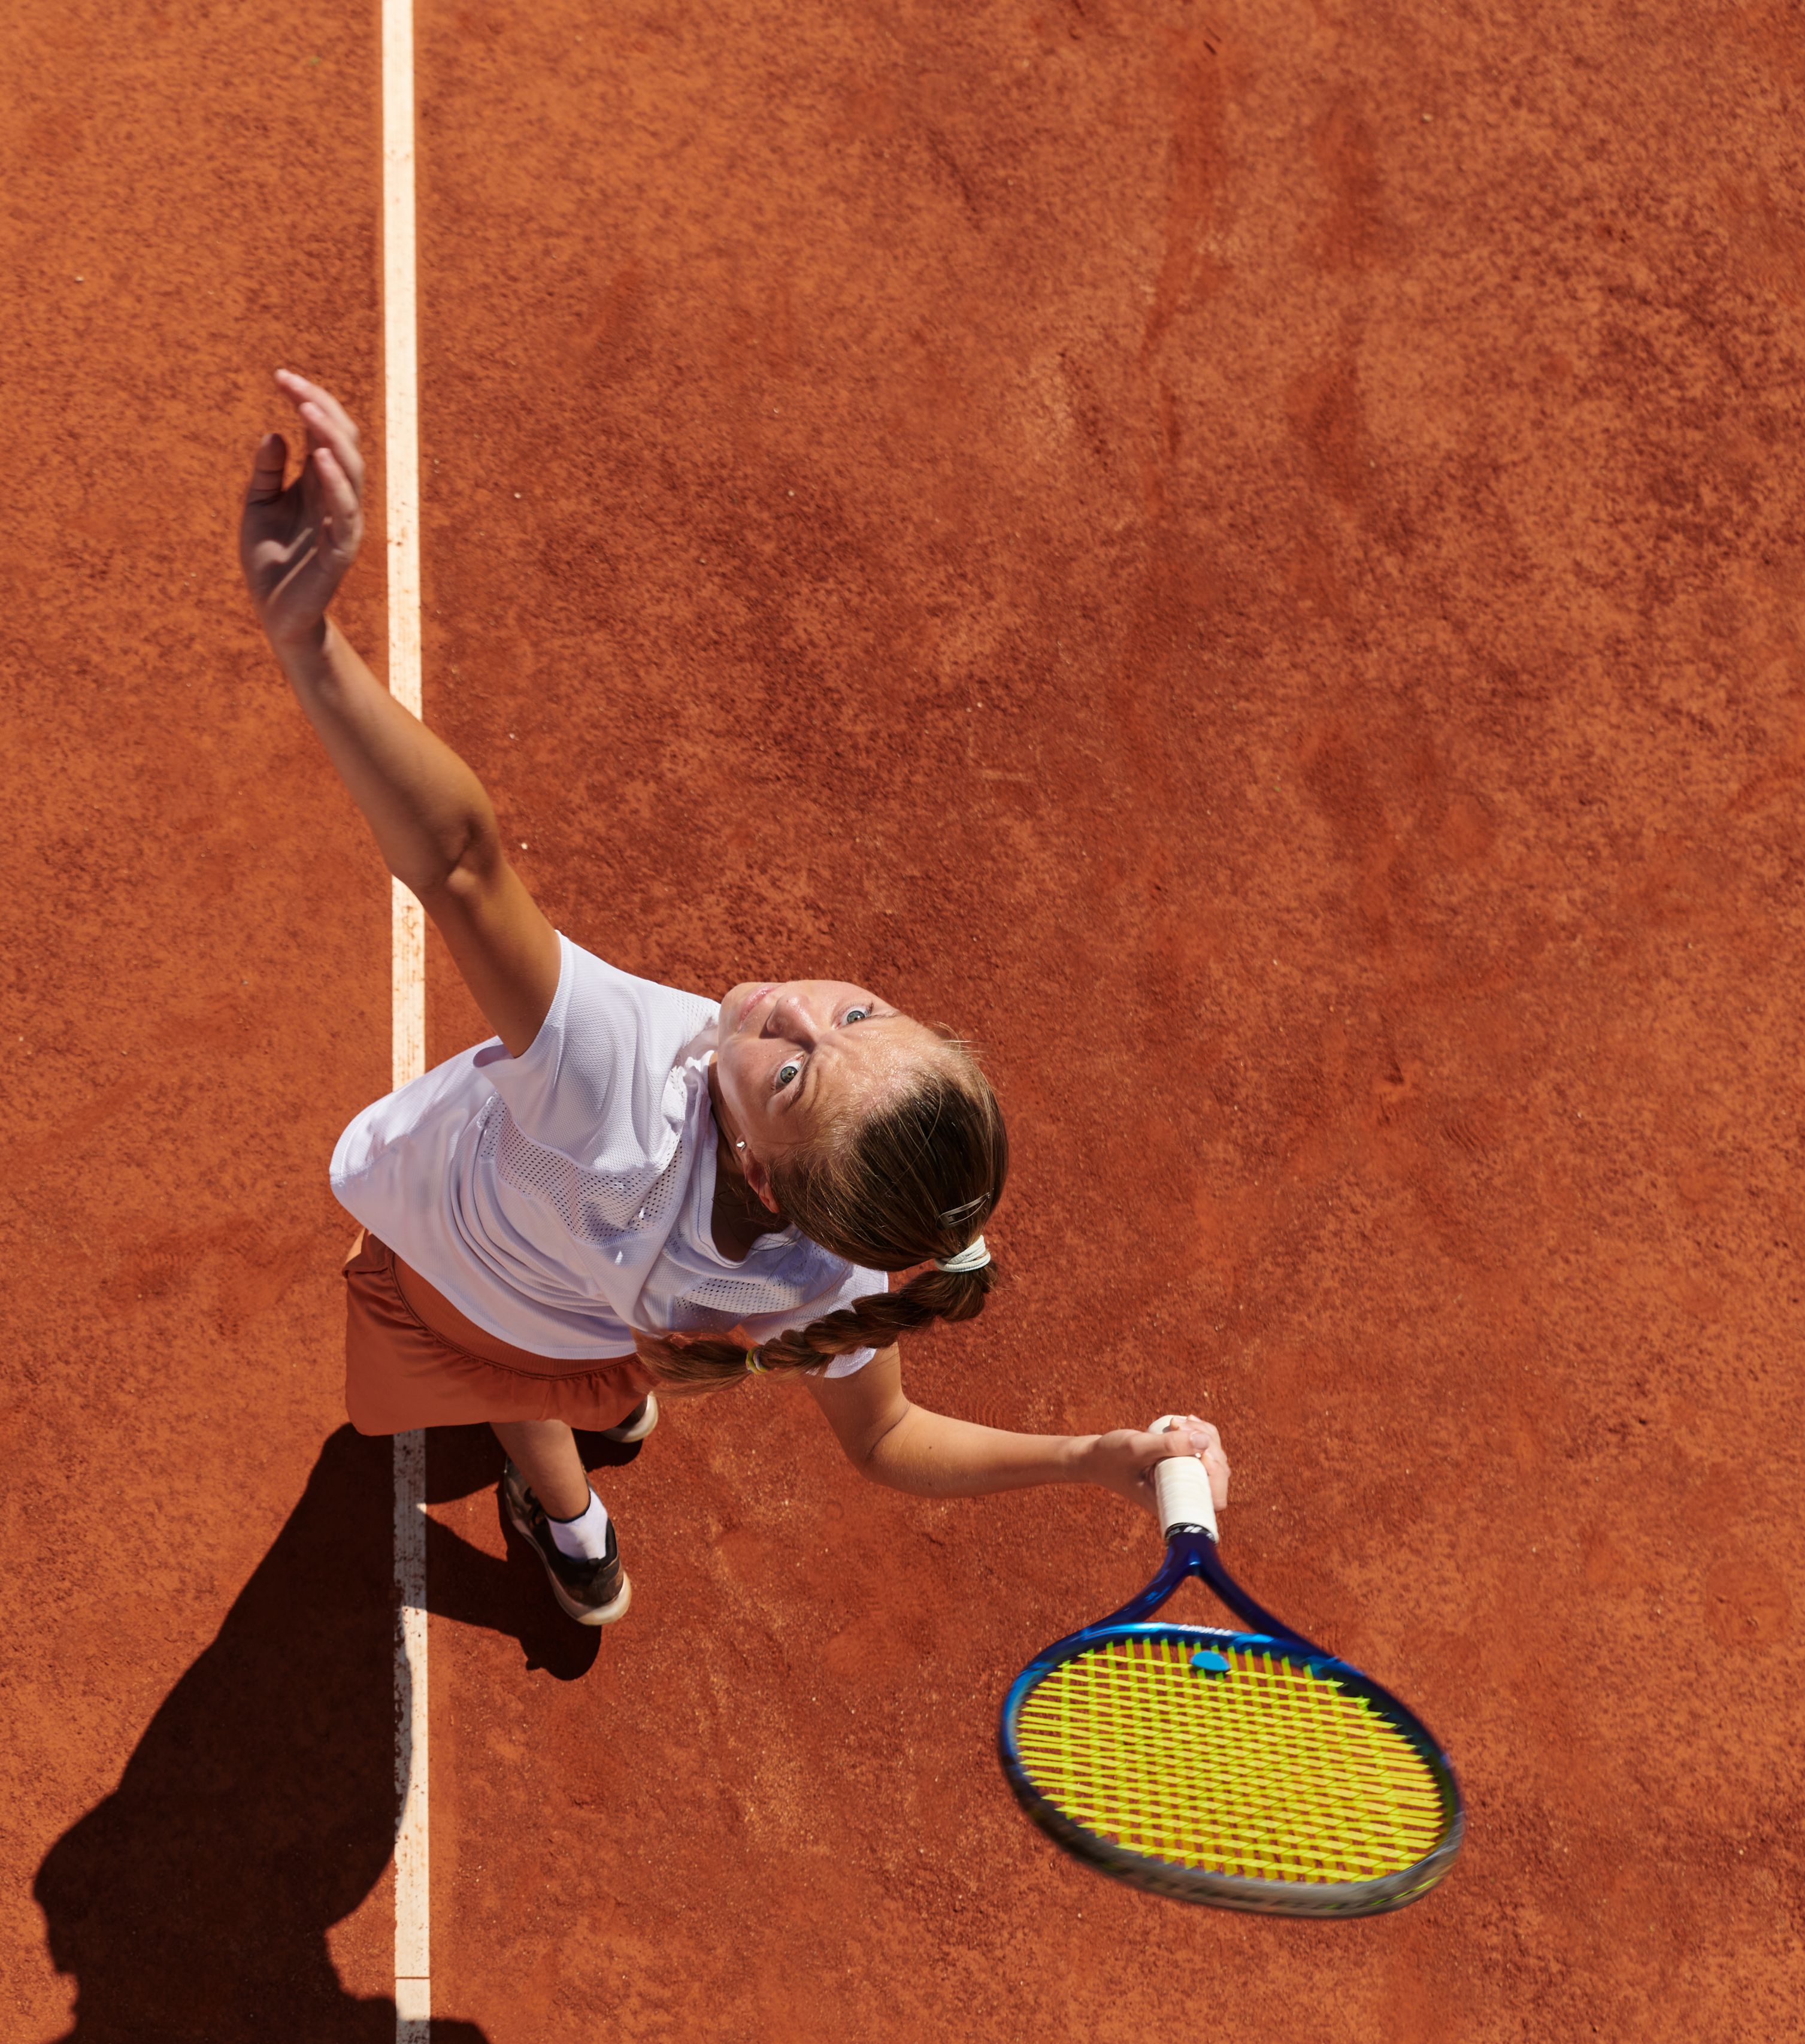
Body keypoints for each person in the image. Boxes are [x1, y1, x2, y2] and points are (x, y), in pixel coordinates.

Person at [242, 370, 1230, 1625]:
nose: (798, 1011)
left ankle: (572, 1521)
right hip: (607, 1335)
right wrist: (1099, 1458)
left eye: (796, 1071)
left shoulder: (610, 1094)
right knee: (562, 1375)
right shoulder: (835, 1280)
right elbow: (886, 1442)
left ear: (764, 1168)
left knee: (509, 1373)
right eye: (862, 1016)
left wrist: (309, 643)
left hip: (463, 1285)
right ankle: (582, 1541)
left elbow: (459, 864)